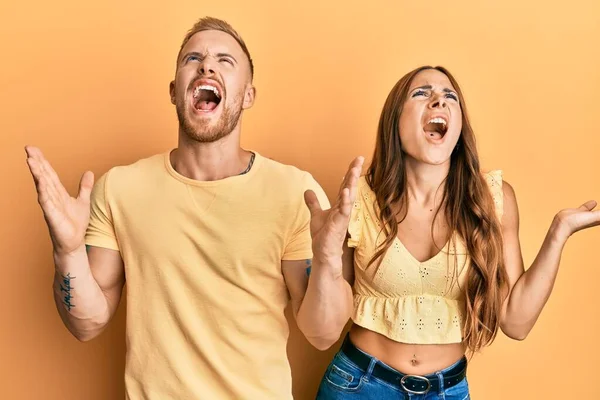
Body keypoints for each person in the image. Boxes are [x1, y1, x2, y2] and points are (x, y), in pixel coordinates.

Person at [24, 16, 362, 400]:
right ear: (174, 91)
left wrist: (328, 260)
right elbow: (87, 323)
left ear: (248, 95)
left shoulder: (294, 192)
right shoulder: (120, 188)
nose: (206, 65)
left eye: (225, 60)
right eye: (193, 58)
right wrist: (67, 252)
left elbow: (321, 333)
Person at [310, 66, 600, 399]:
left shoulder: (491, 199)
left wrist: (559, 232)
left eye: (450, 97)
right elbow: (325, 325)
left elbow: (516, 322)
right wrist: (323, 257)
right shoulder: (358, 198)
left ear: (458, 127)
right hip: (357, 385)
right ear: (395, 121)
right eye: (421, 93)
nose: (439, 101)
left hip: (446, 391)